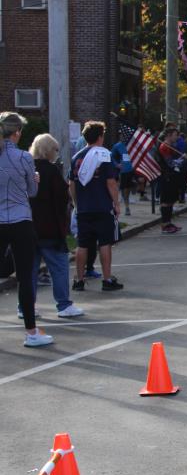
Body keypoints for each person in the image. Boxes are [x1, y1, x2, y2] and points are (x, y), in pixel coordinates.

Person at [0, 113, 54, 346]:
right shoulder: (23, 157)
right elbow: (32, 191)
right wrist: (35, 179)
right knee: (25, 277)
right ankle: (31, 332)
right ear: (17, 132)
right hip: (20, 220)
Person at [27, 133, 84, 319]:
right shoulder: (51, 171)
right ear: (48, 150)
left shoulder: (26, 167)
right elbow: (61, 197)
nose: (57, 153)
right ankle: (63, 304)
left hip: (28, 226)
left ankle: (25, 306)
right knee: (59, 267)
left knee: (29, 271)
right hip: (50, 228)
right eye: (55, 149)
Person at [69, 121, 123, 293]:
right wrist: (116, 203)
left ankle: (79, 280)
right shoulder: (104, 155)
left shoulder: (76, 157)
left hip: (84, 208)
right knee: (105, 243)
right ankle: (107, 279)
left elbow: (72, 184)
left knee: (82, 244)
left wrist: (77, 203)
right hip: (102, 206)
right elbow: (110, 182)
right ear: (100, 136)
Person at [156, 126, 185, 234]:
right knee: (166, 201)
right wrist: (182, 159)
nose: (177, 137)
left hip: (172, 176)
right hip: (166, 176)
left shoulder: (171, 146)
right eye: (175, 135)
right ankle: (165, 224)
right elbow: (170, 163)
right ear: (169, 135)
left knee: (171, 200)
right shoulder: (164, 147)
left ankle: (168, 222)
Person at [110, 134, 134, 216]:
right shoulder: (117, 146)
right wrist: (117, 165)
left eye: (125, 135)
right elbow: (111, 157)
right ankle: (127, 207)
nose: (124, 137)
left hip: (131, 170)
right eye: (122, 135)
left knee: (128, 188)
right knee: (124, 189)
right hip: (123, 171)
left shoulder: (131, 145)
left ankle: (126, 200)